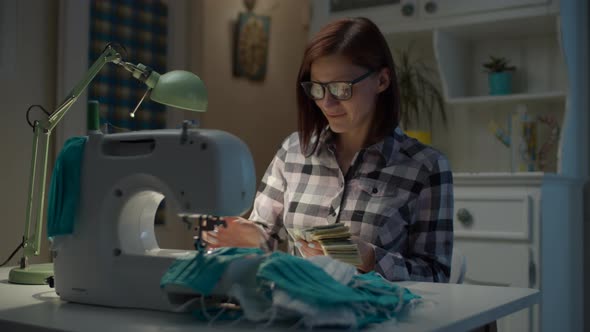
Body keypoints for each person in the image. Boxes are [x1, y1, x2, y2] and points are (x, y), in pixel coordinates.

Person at [203, 17, 453, 282]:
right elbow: (270, 245)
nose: (327, 103)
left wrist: (369, 258)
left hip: (379, 319)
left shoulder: (426, 167)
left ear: (382, 80)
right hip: (299, 311)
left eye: (341, 89)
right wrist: (251, 237)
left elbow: (437, 275)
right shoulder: (293, 152)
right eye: (317, 89)